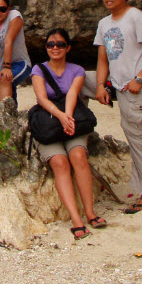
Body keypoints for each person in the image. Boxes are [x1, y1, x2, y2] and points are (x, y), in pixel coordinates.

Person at [82, 0, 142, 214]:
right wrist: (100, 85)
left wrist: (139, 78)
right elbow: (102, 58)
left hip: (137, 88)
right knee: (77, 77)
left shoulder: (136, 18)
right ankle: (76, 127)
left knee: (138, 140)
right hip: (116, 84)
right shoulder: (104, 24)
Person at [31, 28, 106, 240]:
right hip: (48, 123)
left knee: (78, 156)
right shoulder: (38, 69)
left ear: (68, 48)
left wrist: (68, 118)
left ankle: (90, 212)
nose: (55, 48)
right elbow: (42, 98)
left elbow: (73, 93)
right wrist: (61, 116)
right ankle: (76, 220)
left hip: (71, 120)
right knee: (60, 162)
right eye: (50, 44)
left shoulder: (77, 70)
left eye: (60, 44)